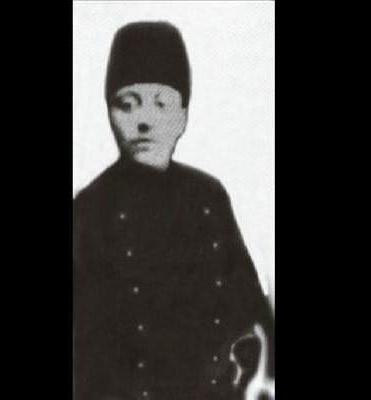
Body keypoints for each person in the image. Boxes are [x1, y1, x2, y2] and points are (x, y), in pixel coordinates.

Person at [73, 21, 274, 400]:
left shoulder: (209, 198)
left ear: (183, 115)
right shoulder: (89, 211)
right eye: (127, 104)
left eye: (161, 104)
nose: (143, 120)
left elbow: (251, 315)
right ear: (109, 114)